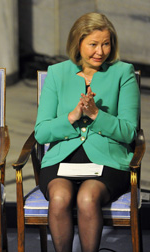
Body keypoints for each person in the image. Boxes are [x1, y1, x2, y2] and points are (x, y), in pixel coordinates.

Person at [34, 12, 140, 252]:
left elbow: (129, 132)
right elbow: (41, 133)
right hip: (62, 159)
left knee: (87, 198)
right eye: (93, 44)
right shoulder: (58, 73)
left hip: (108, 160)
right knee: (59, 198)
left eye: (105, 44)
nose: (100, 52)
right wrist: (72, 116)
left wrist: (95, 115)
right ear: (77, 43)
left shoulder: (123, 73)